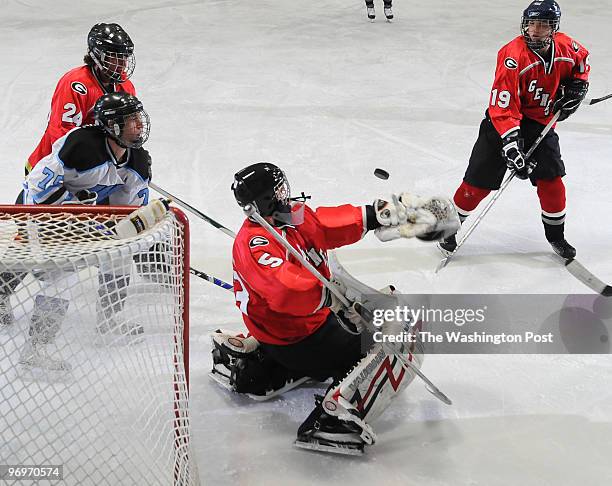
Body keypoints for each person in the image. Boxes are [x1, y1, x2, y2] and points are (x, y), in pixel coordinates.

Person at [210, 162, 459, 454]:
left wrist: (377, 215)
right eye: (279, 189)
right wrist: (330, 298)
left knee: (383, 306)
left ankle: (263, 365)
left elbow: (325, 224)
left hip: (302, 327)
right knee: (392, 338)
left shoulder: (283, 219)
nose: (285, 193)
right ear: (265, 199)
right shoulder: (256, 243)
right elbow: (285, 288)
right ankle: (336, 417)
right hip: (299, 339)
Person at [1, 92, 152, 372]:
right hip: (38, 214)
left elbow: (122, 213)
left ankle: (109, 321)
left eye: (139, 118)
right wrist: (70, 209)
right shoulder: (80, 146)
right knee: (61, 276)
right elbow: (36, 188)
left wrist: (120, 231)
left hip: (77, 221)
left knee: (119, 255)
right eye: (132, 120)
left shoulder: (137, 162)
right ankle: (36, 351)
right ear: (112, 125)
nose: (140, 125)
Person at [438, 0, 590, 260]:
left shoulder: (568, 47)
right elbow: (502, 104)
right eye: (531, 23)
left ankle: (556, 236)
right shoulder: (512, 55)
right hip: (501, 124)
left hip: (541, 123)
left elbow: (581, 66)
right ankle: (448, 229)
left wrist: (577, 87)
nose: (535, 30)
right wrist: (511, 144)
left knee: (552, 181)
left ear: (553, 28)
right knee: (476, 185)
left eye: (542, 25)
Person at [24, 23, 137, 177]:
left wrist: (131, 158)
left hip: (96, 171)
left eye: (124, 57)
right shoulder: (75, 84)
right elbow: (61, 135)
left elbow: (126, 133)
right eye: (116, 57)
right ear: (98, 56)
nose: (123, 64)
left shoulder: (126, 88)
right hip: (51, 169)